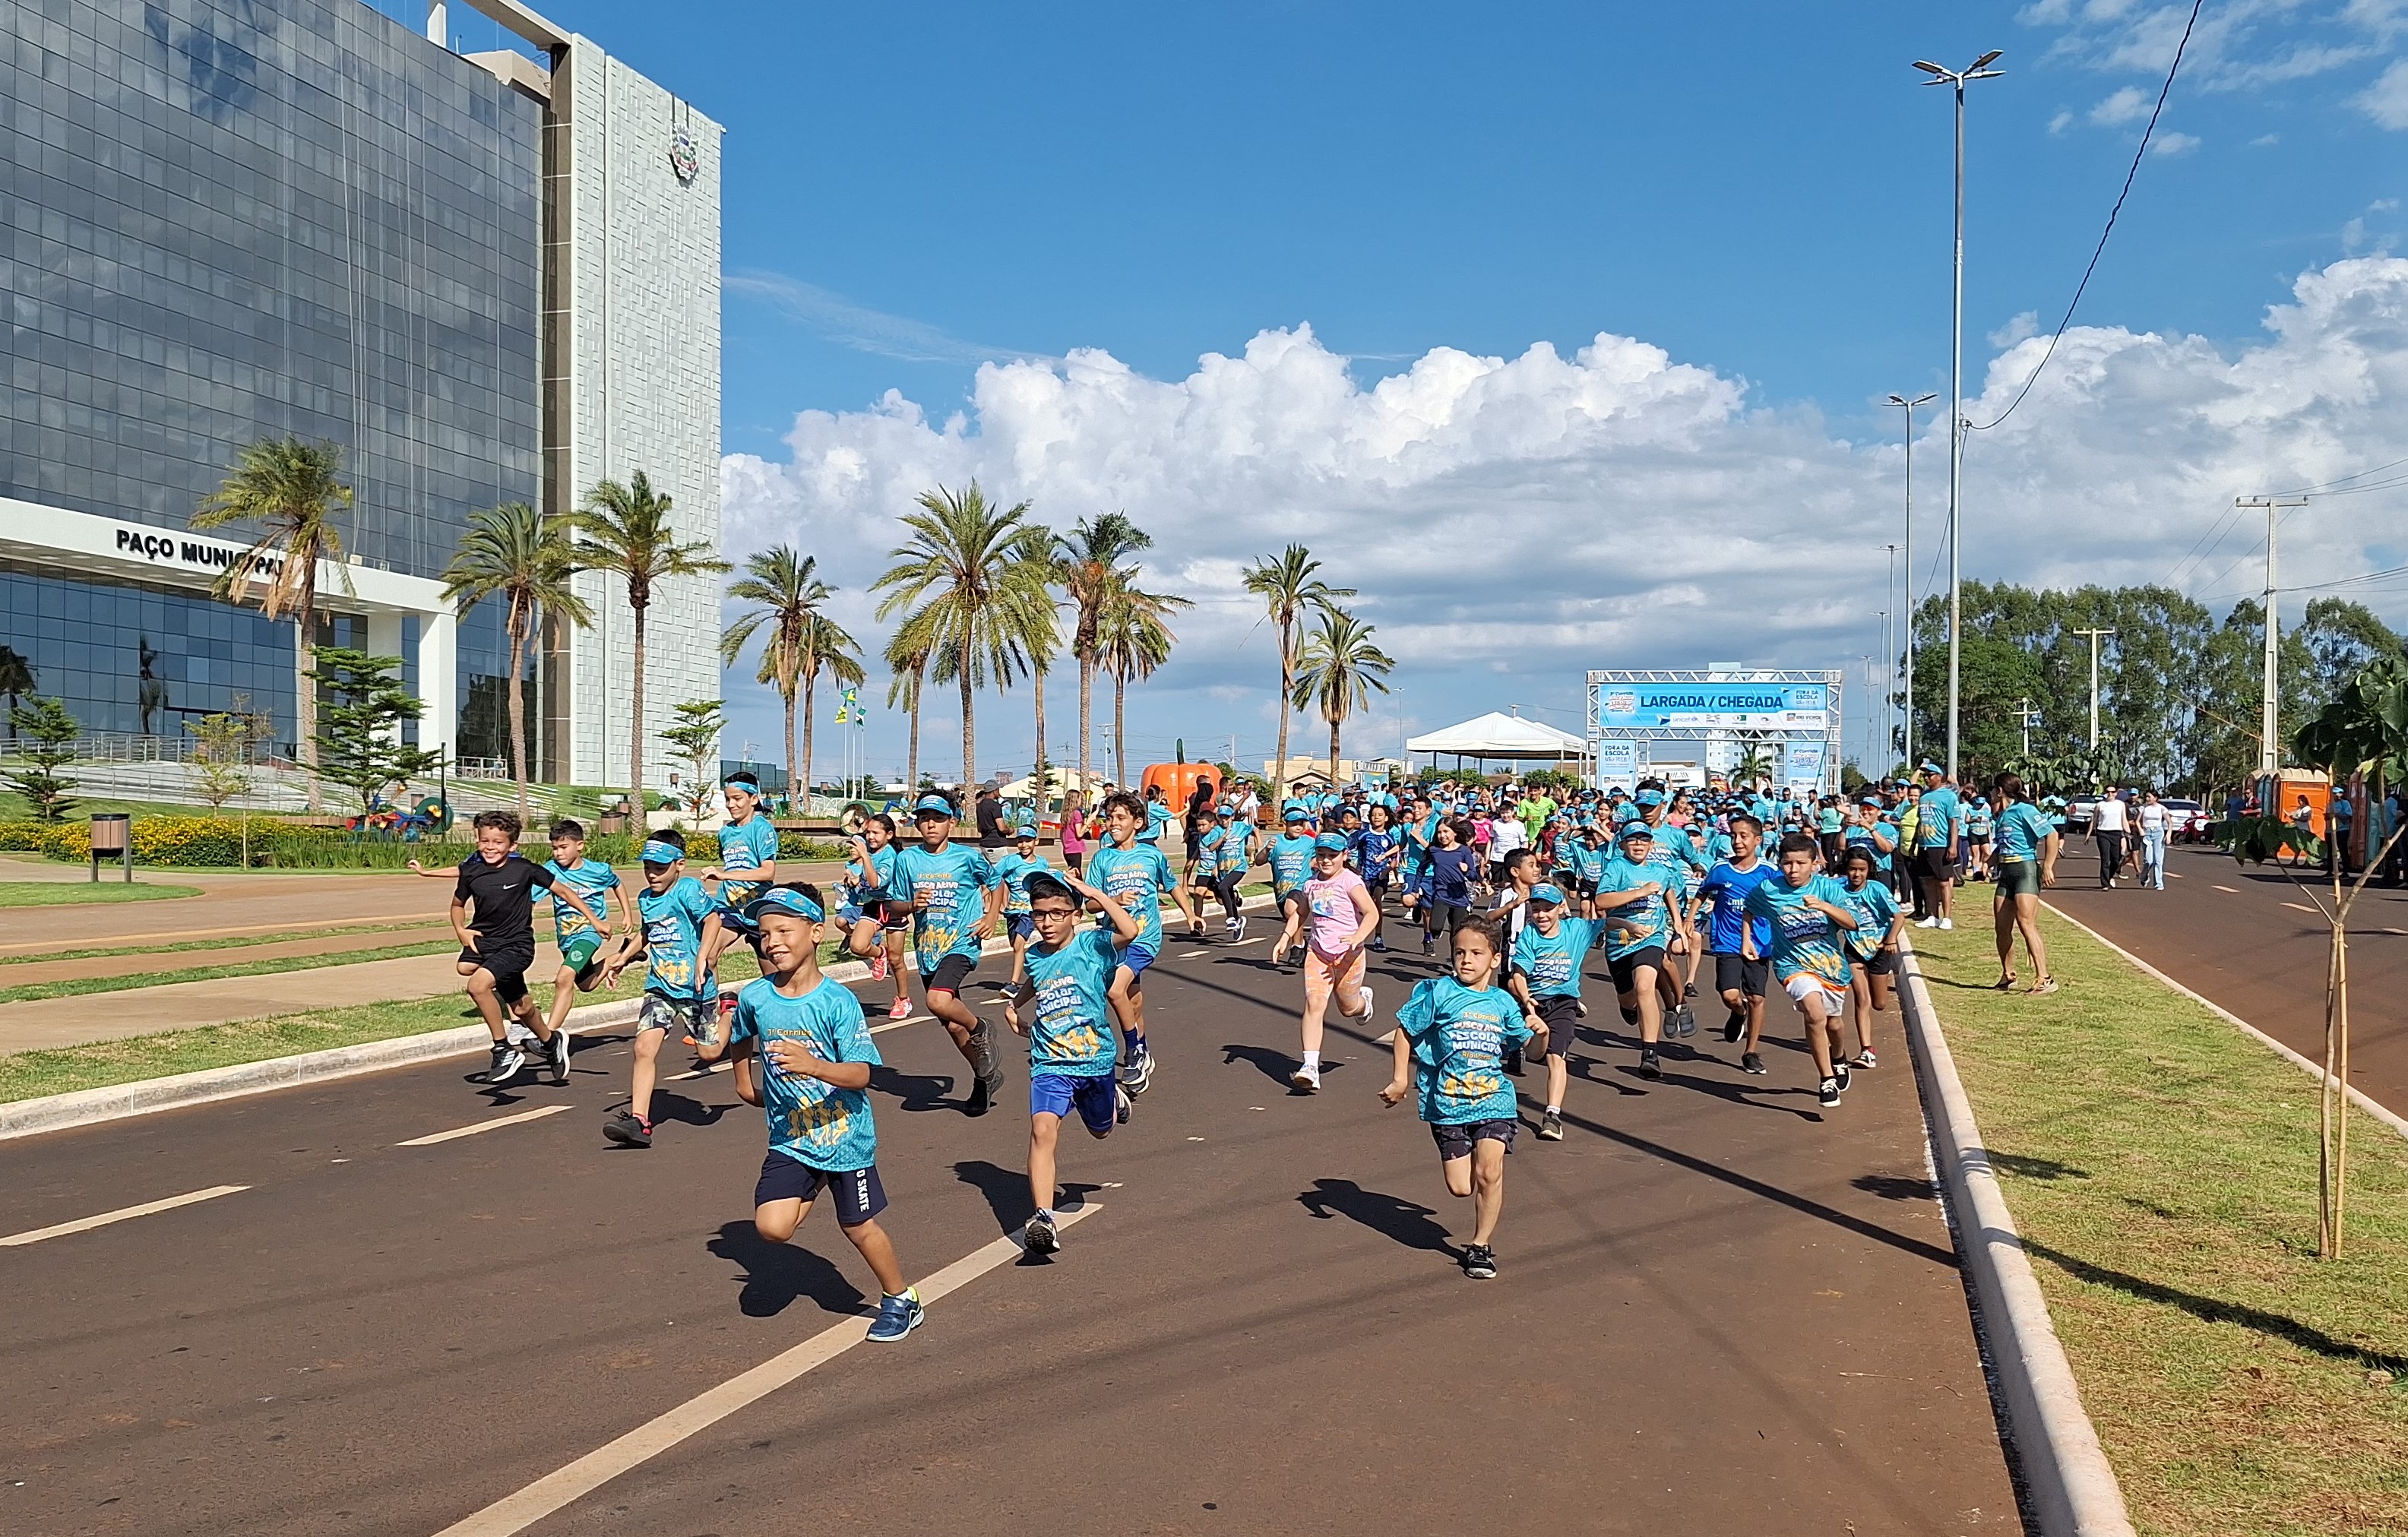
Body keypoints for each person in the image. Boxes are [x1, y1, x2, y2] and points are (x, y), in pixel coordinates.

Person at [725, 885, 925, 1343]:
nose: (771, 941)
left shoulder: (837, 1001)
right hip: (791, 1134)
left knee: (856, 1225)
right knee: (772, 1229)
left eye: (783, 930)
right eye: (763, 933)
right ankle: (810, 1176)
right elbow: (740, 1033)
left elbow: (862, 1073)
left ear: (815, 933)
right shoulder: (757, 996)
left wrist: (813, 1066)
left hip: (845, 1137)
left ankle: (901, 1298)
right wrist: (742, 1082)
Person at [1381, 915, 1536, 1281]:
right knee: (1461, 1187)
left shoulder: (1503, 1003)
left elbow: (1532, 1046)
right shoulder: (1440, 993)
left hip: (1494, 1099)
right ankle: (1465, 1179)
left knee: (1489, 1171)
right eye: (1459, 952)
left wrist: (1538, 1032)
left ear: (1495, 959)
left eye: (1476, 953)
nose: (1466, 959)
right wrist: (1400, 1079)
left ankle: (1480, 1247)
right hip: (1447, 1102)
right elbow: (1405, 1031)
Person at [1005, 870, 1141, 1255]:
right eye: (1038, 914)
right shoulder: (1033, 955)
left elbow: (1129, 931)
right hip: (1049, 1062)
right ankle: (1044, 1217)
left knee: (1101, 1132)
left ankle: (1114, 1099)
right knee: (1042, 1131)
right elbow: (1035, 980)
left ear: (1075, 916)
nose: (1046, 922)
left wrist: (1090, 891)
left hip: (1094, 1060)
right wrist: (1015, 1005)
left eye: (1056, 913)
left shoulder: (1094, 945)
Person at [409, 810, 595, 1089]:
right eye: (485, 841)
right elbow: (457, 906)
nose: (490, 847)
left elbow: (566, 893)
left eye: (498, 843)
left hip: (517, 945)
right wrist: (461, 930)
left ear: (512, 846)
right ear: (477, 840)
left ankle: (503, 1049)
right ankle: (550, 1040)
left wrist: (595, 920)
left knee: (478, 985)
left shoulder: (525, 870)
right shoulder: (472, 871)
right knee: (521, 1007)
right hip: (487, 941)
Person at [596, 830, 723, 1146]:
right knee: (643, 1048)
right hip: (661, 987)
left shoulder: (688, 890)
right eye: (648, 867)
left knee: (709, 1052)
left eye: (660, 867)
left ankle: (731, 1009)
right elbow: (647, 932)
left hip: (695, 989)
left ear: (679, 864)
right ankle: (639, 1122)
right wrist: (622, 958)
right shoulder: (645, 899)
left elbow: (713, 921)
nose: (652, 874)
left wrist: (702, 958)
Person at [887, 792, 1008, 1115]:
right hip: (928, 950)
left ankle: (981, 1027)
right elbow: (892, 904)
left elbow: (996, 883)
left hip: (961, 943)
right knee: (954, 1026)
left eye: (938, 818)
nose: (930, 824)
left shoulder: (967, 857)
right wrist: (911, 905)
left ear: (951, 823)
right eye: (924, 818)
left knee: (938, 1001)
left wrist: (991, 918)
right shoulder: (907, 860)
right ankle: (984, 1078)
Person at [1087, 789, 1200, 1096]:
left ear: (1137, 823)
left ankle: (1134, 1052)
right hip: (1114, 939)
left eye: (1120, 818)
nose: (1113, 823)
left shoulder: (1152, 856)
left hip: (1145, 937)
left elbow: (1173, 885)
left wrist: (1190, 914)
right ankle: (1144, 1049)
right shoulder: (1102, 858)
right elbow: (1092, 906)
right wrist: (1115, 900)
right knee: (1132, 1000)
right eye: (1109, 818)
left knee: (1115, 990)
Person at [1742, 833, 1861, 1109]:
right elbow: (1749, 909)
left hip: (1830, 967)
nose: (1793, 870)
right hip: (1792, 966)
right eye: (1787, 864)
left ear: (1814, 863)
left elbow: (1852, 923)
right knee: (1814, 1013)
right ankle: (1826, 1080)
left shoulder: (1828, 889)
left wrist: (1824, 907)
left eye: (1800, 864)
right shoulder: (1768, 889)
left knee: (1833, 1023)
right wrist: (1746, 939)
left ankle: (1839, 1057)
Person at [1503, 882, 1604, 1141]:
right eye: (1536, 910)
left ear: (1561, 908)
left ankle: (1552, 1115)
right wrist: (1526, 999)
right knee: (1533, 1049)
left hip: (1562, 1001)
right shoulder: (1529, 935)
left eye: (1548, 909)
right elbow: (1519, 974)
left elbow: (1609, 923)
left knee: (1555, 1058)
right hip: (1534, 1001)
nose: (1542, 915)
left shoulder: (1577, 930)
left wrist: (1632, 927)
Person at [1293, 831, 1380, 1092]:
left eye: (1332, 855)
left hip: (1348, 956)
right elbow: (1301, 914)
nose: (1326, 860)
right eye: (1321, 855)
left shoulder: (1350, 881)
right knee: (1314, 1003)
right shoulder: (1311, 885)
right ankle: (1310, 1066)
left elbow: (1372, 913)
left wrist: (1358, 937)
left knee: (1348, 1009)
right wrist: (1286, 937)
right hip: (1318, 953)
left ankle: (1363, 1004)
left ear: (1344, 856)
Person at [536, 818, 633, 1048]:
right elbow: (528, 897)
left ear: (580, 845)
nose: (558, 853)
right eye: (554, 848)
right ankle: (622, 956)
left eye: (563, 847)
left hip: (590, 933)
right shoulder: (549, 871)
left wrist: (627, 914)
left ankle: (549, 1038)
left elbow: (617, 884)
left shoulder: (598, 870)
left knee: (564, 978)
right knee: (586, 984)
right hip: (566, 938)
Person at [1694, 814, 1777, 1075]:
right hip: (1727, 941)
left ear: (1758, 840)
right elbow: (1702, 892)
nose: (1737, 841)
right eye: (1733, 836)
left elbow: (1782, 900)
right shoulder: (1721, 869)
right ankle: (1737, 1013)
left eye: (1743, 836)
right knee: (1730, 995)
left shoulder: (1769, 872)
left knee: (1756, 998)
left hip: (1759, 943)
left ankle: (1751, 1052)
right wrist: (1688, 920)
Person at [1594, 821, 1672, 1078]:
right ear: (1623, 844)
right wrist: (1639, 892)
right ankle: (1627, 1007)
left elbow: (1669, 891)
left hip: (1651, 938)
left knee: (1645, 987)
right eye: (1632, 840)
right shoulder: (1617, 868)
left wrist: (1680, 926)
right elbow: (1601, 901)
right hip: (1620, 943)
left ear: (1651, 844)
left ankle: (1650, 1052)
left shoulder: (1660, 871)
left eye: (1643, 840)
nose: (1638, 844)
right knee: (1628, 997)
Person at [1989, 773, 2062, 994]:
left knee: (2025, 923)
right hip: (2006, 874)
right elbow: (2003, 845)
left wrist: (2048, 865)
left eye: (1993, 789)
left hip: (2025, 871)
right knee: (2001, 926)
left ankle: (2044, 978)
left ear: (2000, 790)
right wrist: (1985, 864)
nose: (1991, 793)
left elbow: (2052, 834)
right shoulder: (2002, 815)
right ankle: (2008, 975)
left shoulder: (2025, 810)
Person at [1834, 847, 1902, 1069]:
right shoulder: (1837, 888)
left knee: (1879, 1004)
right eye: (1852, 869)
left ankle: (1867, 1046)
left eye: (1862, 870)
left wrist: (1891, 939)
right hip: (1854, 949)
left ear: (1869, 870)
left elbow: (1899, 917)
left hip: (1880, 947)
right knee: (1862, 999)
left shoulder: (1877, 890)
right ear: (1846, 869)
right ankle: (1867, 1050)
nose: (1856, 874)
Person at [839, 814, 911, 1013]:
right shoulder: (868, 852)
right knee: (857, 945)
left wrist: (865, 857)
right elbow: (866, 884)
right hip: (873, 905)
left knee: (897, 960)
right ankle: (881, 953)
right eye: (868, 832)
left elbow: (876, 882)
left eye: (876, 833)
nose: (870, 837)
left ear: (889, 835)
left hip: (893, 906)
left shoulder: (889, 855)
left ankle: (903, 999)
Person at [1267, 802, 1321, 967]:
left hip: (1301, 886)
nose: (1298, 827)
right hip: (1281, 888)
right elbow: (1259, 860)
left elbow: (1320, 856)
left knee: (1292, 911)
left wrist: (1314, 863)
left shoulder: (1309, 842)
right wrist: (1266, 850)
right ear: (1286, 824)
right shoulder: (1276, 841)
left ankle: (1297, 947)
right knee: (1291, 917)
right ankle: (1301, 944)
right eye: (1293, 824)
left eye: (1301, 824)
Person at [996, 824, 1052, 982]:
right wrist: (997, 900)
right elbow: (993, 877)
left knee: (1019, 945)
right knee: (1015, 944)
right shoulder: (1010, 861)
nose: (1024, 845)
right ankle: (1042, 966)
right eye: (1020, 841)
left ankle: (1013, 984)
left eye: (1028, 841)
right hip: (1012, 912)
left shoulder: (1043, 863)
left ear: (1037, 842)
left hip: (1030, 911)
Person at [1910, 766, 1963, 930]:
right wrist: (1914, 842)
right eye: (1925, 775)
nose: (1926, 778)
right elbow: (1920, 821)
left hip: (1941, 844)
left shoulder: (1949, 796)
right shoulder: (1924, 796)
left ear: (1940, 777)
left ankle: (1947, 917)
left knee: (1943, 882)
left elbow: (1954, 822)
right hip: (1925, 844)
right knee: (1928, 881)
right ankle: (1932, 915)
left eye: (1930, 775)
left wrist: (1953, 846)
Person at [1357, 802, 1401, 951]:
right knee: (1359, 907)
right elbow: (1351, 851)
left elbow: (1395, 859)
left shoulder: (1389, 838)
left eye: (1380, 815)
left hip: (1380, 877)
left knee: (1377, 903)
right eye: (1374, 814)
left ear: (1386, 818)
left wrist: (1388, 868)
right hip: (1364, 876)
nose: (1376, 817)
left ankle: (1378, 937)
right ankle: (1356, 935)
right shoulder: (1363, 835)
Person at [2136, 789, 2170, 890]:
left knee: (2158, 860)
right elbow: (2137, 821)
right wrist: (2141, 830)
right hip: (2147, 833)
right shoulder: (2143, 808)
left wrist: (2168, 835)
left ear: (2155, 798)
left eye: (2149, 797)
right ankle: (2144, 877)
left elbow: (2169, 822)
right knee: (2148, 861)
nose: (2147, 799)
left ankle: (2159, 883)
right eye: (2146, 797)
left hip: (2158, 833)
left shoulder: (2161, 808)